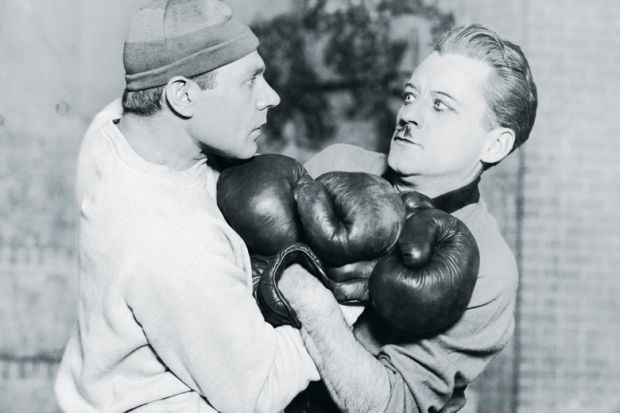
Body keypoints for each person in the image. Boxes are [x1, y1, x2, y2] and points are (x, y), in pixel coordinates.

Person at [54, 1, 321, 412]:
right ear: (182, 95)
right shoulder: (176, 244)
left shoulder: (109, 134)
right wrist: (348, 303)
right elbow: (259, 391)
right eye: (250, 81)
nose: (272, 97)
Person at [279, 23, 538, 412]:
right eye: (410, 96)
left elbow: (394, 405)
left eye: (440, 105)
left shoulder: (489, 268)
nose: (410, 115)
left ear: (494, 143)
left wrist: (311, 301)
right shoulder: (336, 164)